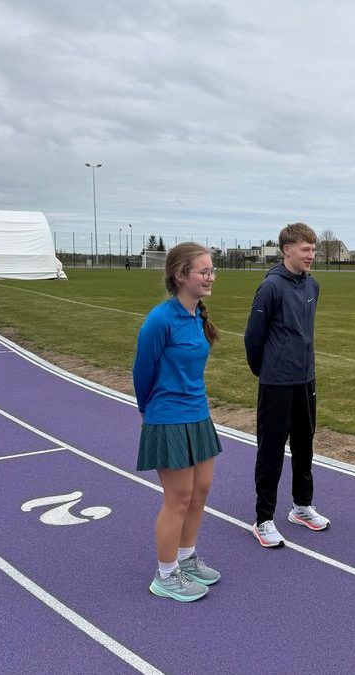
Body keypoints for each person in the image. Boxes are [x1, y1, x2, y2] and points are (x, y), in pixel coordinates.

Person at [133, 242, 223, 602]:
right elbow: (143, 374)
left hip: (198, 416)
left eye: (211, 270)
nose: (210, 276)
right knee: (178, 497)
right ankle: (165, 575)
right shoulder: (160, 319)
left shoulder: (197, 315)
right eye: (204, 271)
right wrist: (151, 412)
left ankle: (186, 559)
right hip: (168, 419)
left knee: (200, 491)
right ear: (180, 275)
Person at [244, 223, 330, 548]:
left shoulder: (313, 286)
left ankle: (301, 507)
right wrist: (265, 370)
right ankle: (263, 519)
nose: (311, 255)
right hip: (276, 382)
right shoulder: (270, 288)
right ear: (287, 250)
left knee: (305, 445)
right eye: (305, 249)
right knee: (271, 449)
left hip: (305, 380)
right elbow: (254, 337)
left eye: (313, 249)